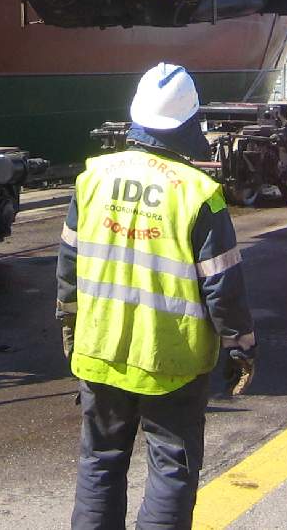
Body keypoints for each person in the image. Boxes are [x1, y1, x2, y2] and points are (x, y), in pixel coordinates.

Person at [58, 62, 256, 530]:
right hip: (172, 360)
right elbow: (223, 286)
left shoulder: (92, 179)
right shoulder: (199, 194)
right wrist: (240, 345)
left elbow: (68, 265)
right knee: (172, 467)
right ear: (189, 122)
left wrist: (68, 322)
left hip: (99, 349)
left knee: (100, 461)